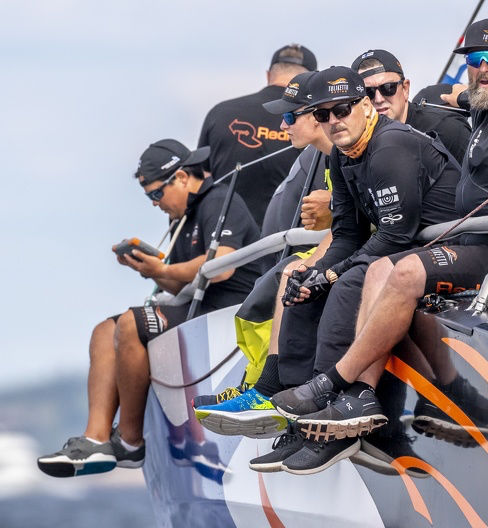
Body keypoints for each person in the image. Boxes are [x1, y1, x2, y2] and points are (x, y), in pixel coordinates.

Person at [271, 18, 488, 464]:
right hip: (487, 249)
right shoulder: (484, 104)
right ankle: (383, 399)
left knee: (405, 271)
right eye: (475, 60)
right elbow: (458, 95)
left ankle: (336, 382)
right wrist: (448, 95)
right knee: (381, 272)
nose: (483, 67)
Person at [206, 65, 462, 475]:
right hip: (400, 248)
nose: (333, 120)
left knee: (344, 285)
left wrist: (330, 273)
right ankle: (299, 413)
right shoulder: (344, 155)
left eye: (341, 110)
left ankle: (331, 420)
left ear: (364, 106)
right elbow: (347, 233)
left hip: (442, 250)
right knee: (301, 282)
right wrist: (317, 273)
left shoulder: (390, 144)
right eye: (324, 114)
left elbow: (395, 232)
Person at [37, 139, 262, 478]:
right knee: (104, 331)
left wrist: (161, 269)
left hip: (228, 313)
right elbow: (182, 285)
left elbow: (222, 267)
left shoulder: (218, 200)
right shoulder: (182, 217)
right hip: (199, 310)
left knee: (131, 324)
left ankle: (130, 442)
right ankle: (96, 439)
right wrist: (148, 270)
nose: (155, 204)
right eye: (149, 197)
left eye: (157, 194)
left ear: (182, 177)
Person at [192, 71, 335, 422]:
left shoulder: (350, 153)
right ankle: (255, 386)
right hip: (342, 245)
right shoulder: (330, 157)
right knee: (262, 293)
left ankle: (269, 389)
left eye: (289, 116)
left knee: (288, 278)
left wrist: (332, 209)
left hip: (369, 252)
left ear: (317, 116)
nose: (283, 126)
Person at [198, 44, 317, 226]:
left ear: (268, 75)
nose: (285, 124)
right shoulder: (313, 120)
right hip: (289, 235)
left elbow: (200, 180)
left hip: (225, 235)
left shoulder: (220, 113)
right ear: (311, 83)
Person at [351, 49, 471, 164]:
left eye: (388, 87)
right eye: (368, 92)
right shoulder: (351, 146)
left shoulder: (447, 129)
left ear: (405, 88)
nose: (379, 99)